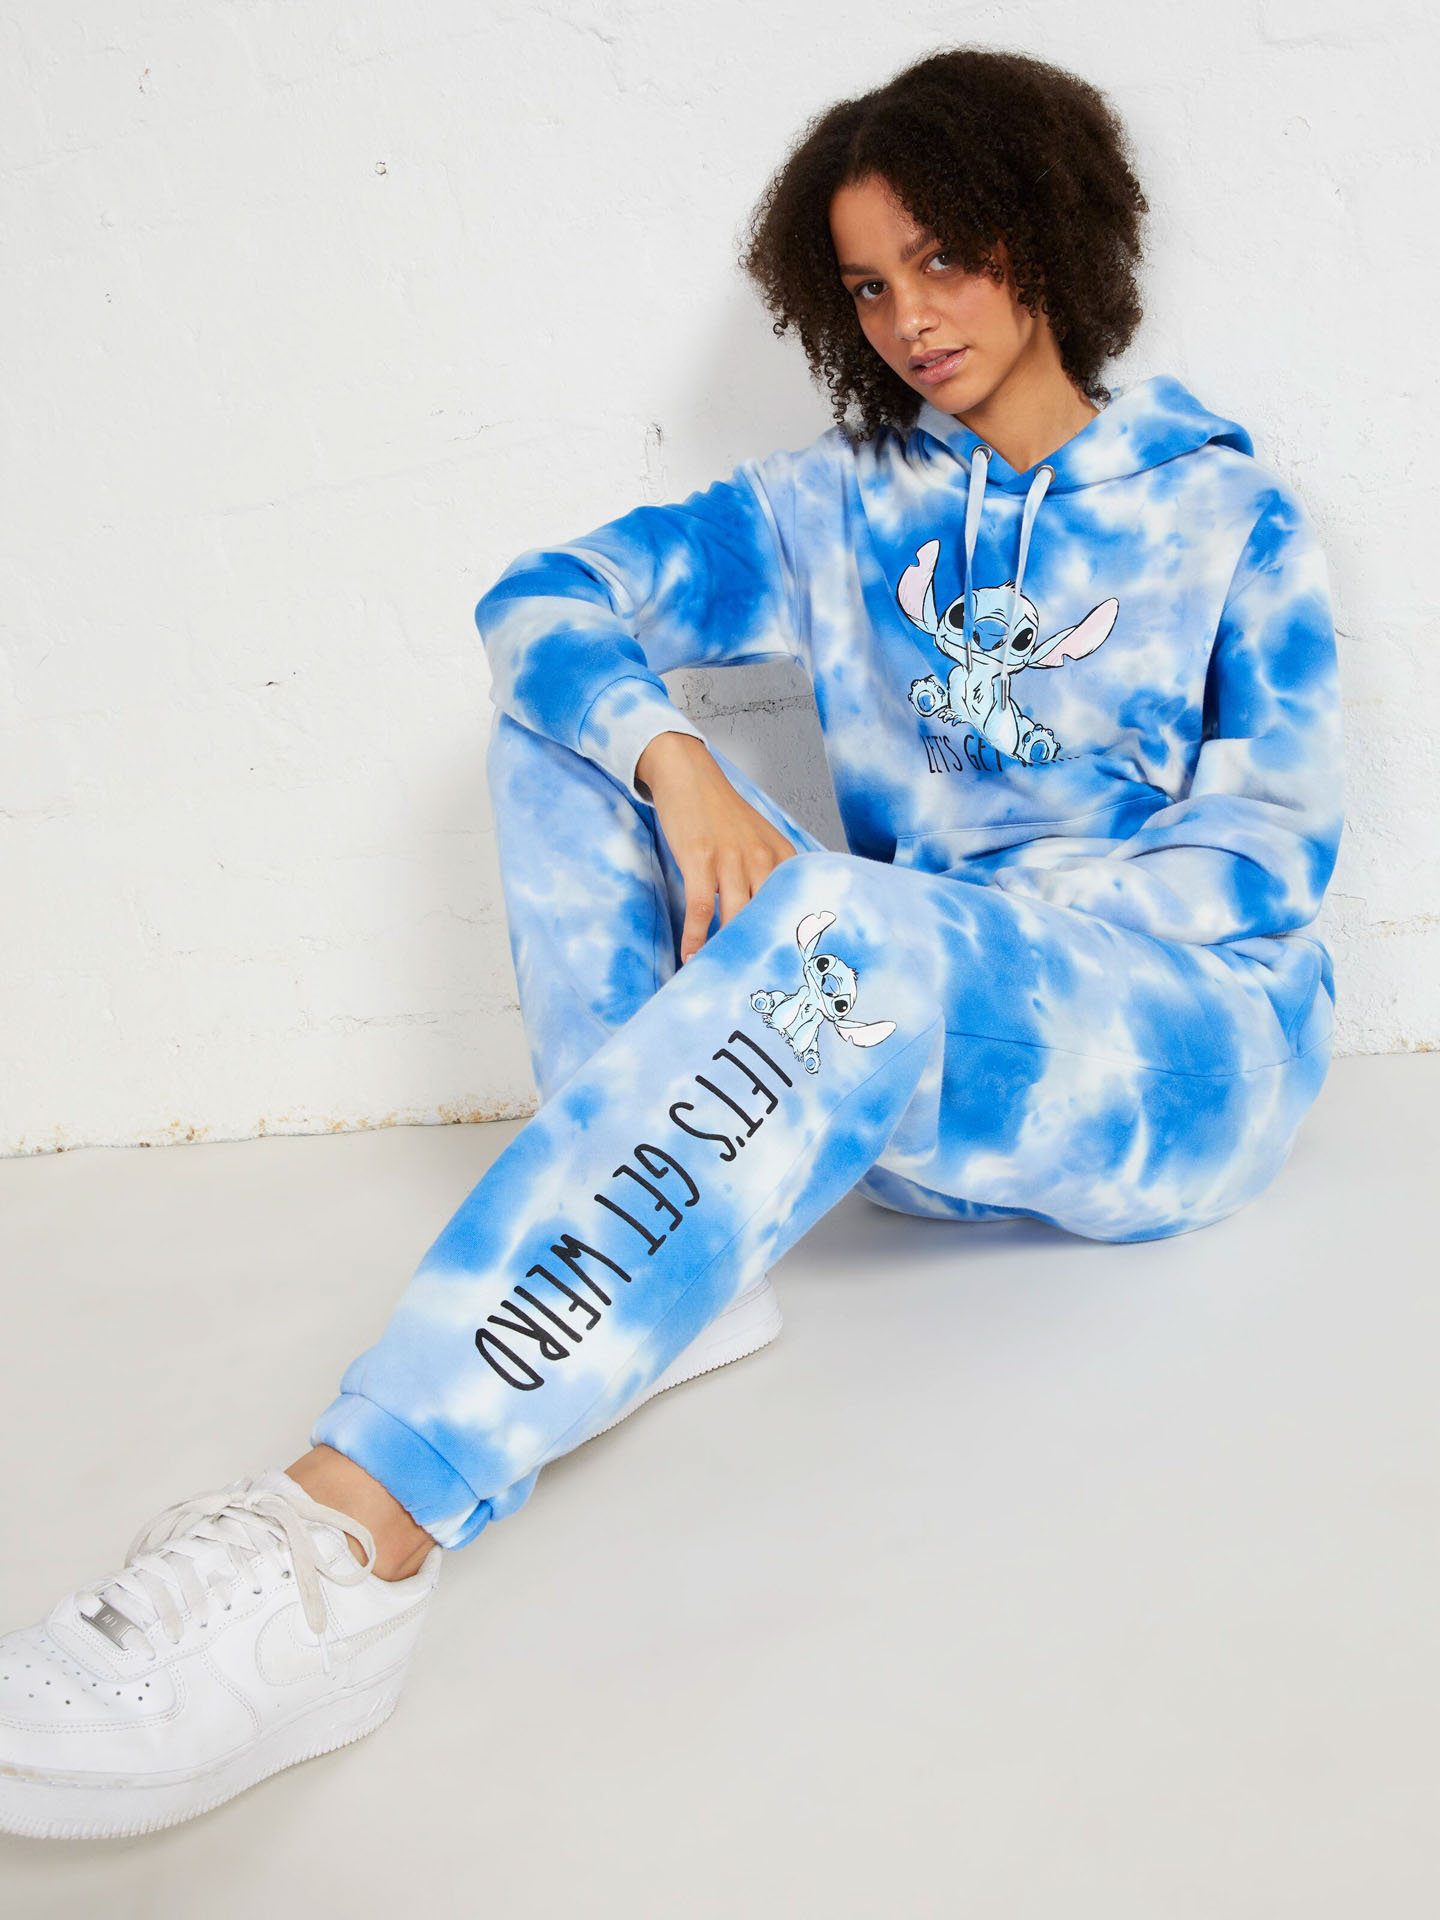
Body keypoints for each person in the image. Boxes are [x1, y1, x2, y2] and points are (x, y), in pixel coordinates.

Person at [0, 46, 1344, 1840]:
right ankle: (679, 1270)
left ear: (1045, 236)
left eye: (944, 260)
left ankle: (353, 1534)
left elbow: (1267, 859)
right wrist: (678, 762)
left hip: (1175, 1059)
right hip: (894, 1035)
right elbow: (539, 597)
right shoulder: (837, 504)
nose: (907, 320)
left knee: (851, 935)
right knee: (566, 725)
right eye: (865, 286)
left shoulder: (1226, 516)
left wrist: (932, 932)